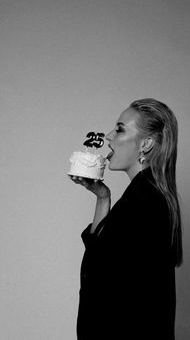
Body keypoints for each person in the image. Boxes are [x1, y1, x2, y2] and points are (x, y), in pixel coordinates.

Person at [70, 98, 183, 340]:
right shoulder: (141, 195)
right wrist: (102, 198)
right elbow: (100, 261)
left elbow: (123, 294)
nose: (109, 136)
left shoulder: (147, 201)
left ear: (146, 144)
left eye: (120, 128)